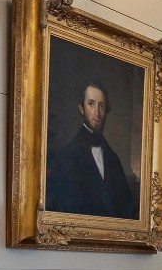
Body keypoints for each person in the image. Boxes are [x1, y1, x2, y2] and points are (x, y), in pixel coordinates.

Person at [45, 80, 138, 218]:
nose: (97, 113)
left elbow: (127, 207)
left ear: (106, 111)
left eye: (101, 106)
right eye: (91, 104)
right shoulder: (66, 157)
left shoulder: (113, 158)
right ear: (81, 108)